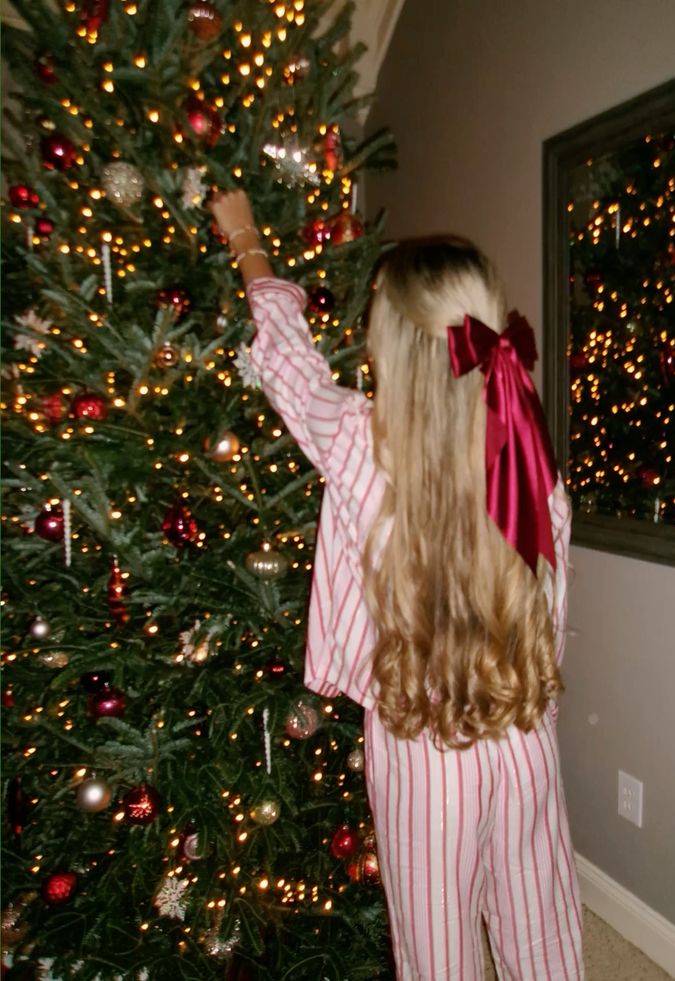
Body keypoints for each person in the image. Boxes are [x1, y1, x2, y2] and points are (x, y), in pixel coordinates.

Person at [210, 188, 584, 981]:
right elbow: (548, 614)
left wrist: (245, 236)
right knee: (543, 935)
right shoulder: (534, 463)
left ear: (397, 350)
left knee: (437, 955)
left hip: (423, 755)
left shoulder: (358, 442)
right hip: (524, 741)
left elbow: (287, 360)